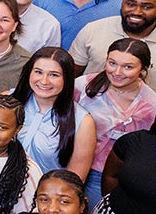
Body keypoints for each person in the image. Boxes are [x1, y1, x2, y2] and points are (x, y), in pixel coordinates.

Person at [74, 39, 156, 205]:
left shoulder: (151, 106)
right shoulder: (83, 86)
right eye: (112, 63)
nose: (118, 72)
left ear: (143, 69)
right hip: (71, 163)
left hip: (107, 176)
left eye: (128, 67)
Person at [10, 47, 97, 178]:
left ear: (66, 79)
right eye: (38, 72)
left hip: (44, 194)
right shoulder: (8, 100)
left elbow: (74, 180)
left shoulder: (83, 122)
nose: (44, 81)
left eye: (54, 75)